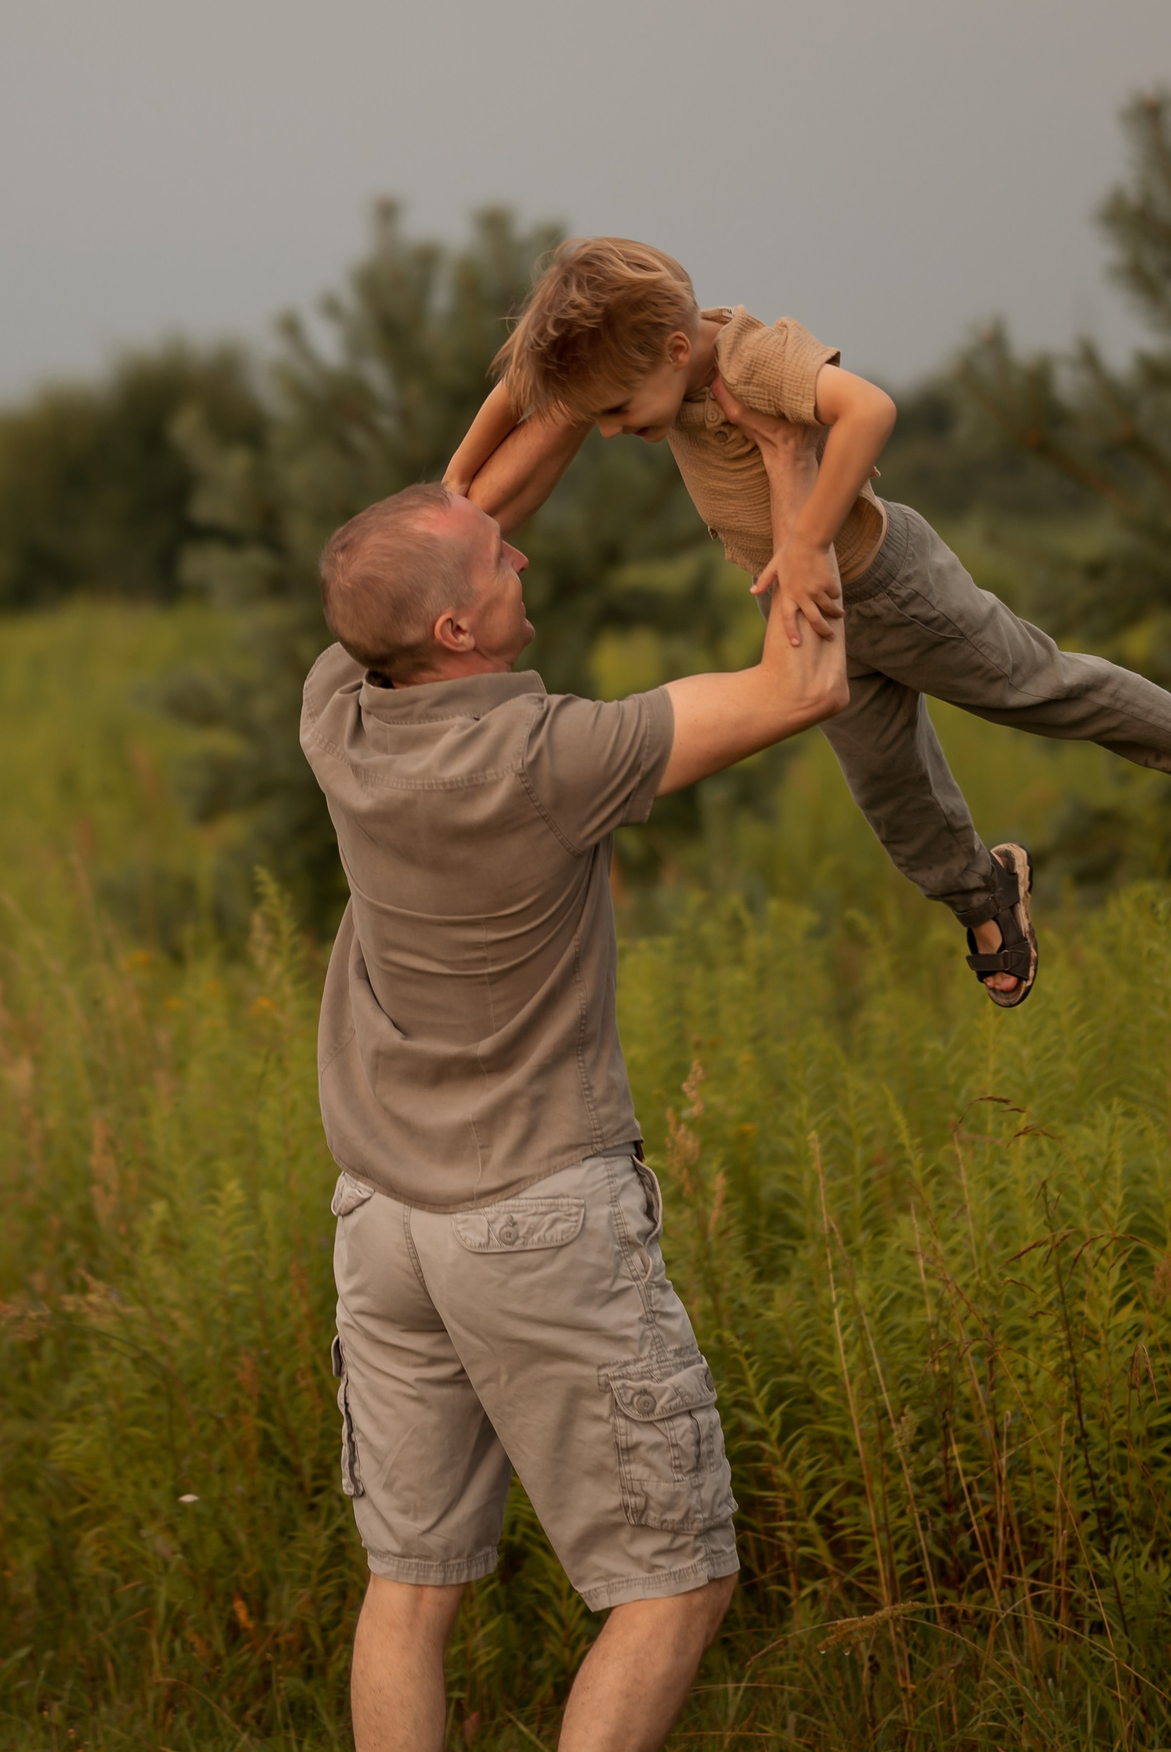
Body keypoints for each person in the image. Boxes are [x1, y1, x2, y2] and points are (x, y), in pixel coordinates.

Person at [300, 459, 847, 1752]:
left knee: (408, 1588)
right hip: (535, 1222)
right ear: (454, 629)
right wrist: (796, 473)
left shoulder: (338, 713)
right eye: (498, 562)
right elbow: (803, 685)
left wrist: (552, 401)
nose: (521, 557)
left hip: (383, 1225)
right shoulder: (550, 757)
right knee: (673, 1583)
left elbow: (447, 510)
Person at [442, 237, 1171, 1008]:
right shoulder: (651, 367)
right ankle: (982, 891)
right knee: (890, 792)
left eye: (616, 415)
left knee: (1043, 691)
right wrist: (455, 483)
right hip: (816, 613)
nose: (605, 433)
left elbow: (870, 409)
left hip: (891, 586)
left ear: (677, 351)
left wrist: (805, 542)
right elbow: (525, 395)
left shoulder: (750, 359)